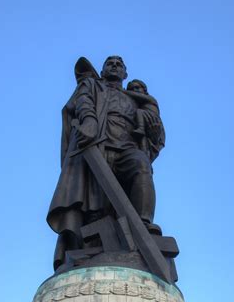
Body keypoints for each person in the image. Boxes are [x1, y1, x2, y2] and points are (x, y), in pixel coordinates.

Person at [47, 56, 165, 270]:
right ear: (102, 71)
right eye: (110, 63)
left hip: (127, 147)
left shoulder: (136, 99)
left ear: (125, 74)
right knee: (95, 203)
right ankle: (91, 248)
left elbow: (155, 134)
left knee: (141, 166)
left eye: (120, 65)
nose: (115, 66)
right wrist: (90, 120)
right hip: (97, 144)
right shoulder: (92, 85)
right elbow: (82, 102)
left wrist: (150, 120)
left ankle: (143, 225)